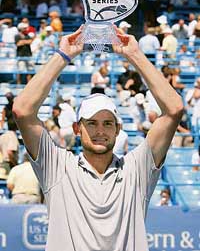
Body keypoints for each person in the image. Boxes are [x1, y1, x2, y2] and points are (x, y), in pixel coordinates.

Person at [13, 26, 183, 251]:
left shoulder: (136, 169)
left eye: (107, 123)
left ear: (118, 129)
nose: (100, 131)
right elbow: (22, 110)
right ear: (77, 128)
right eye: (91, 123)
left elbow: (174, 109)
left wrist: (134, 55)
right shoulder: (58, 167)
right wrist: (64, 55)